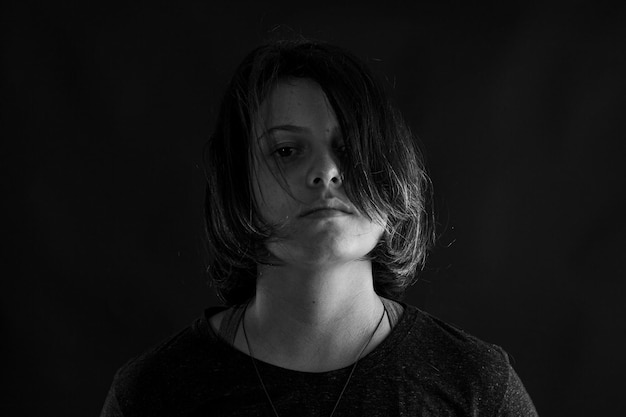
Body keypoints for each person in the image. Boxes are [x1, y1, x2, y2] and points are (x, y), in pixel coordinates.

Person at [100, 39, 538, 416]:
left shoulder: (478, 388)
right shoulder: (153, 394)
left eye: (348, 148)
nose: (326, 171)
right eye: (287, 150)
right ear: (238, 183)